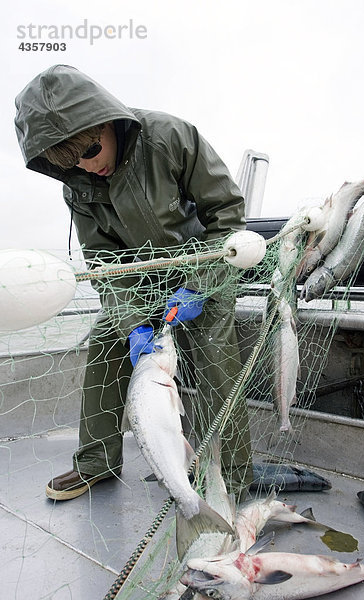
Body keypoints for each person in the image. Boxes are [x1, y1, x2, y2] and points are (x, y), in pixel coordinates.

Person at [15, 64, 254, 503]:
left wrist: (200, 284)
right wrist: (131, 323)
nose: (90, 165)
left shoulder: (170, 137)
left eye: (90, 149)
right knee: (106, 337)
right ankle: (96, 461)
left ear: (104, 119)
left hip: (204, 266)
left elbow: (228, 216)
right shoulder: (79, 184)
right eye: (72, 162)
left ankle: (234, 471)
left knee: (216, 352)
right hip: (139, 282)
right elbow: (104, 261)